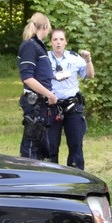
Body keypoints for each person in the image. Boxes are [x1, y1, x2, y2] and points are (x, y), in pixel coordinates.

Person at [46, 29, 94, 170]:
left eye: (61, 39)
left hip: (72, 106)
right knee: (51, 144)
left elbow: (90, 75)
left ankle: (76, 175)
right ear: (51, 42)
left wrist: (88, 60)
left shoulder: (74, 58)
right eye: (55, 39)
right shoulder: (45, 58)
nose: (58, 43)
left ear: (66, 41)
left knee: (75, 144)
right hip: (53, 105)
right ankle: (50, 174)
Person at [17, 12, 58, 160]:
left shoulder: (39, 47)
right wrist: (50, 94)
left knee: (40, 145)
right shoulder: (30, 46)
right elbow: (27, 77)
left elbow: (38, 73)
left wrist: (52, 77)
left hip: (42, 103)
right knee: (30, 144)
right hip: (34, 102)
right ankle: (27, 177)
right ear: (45, 26)